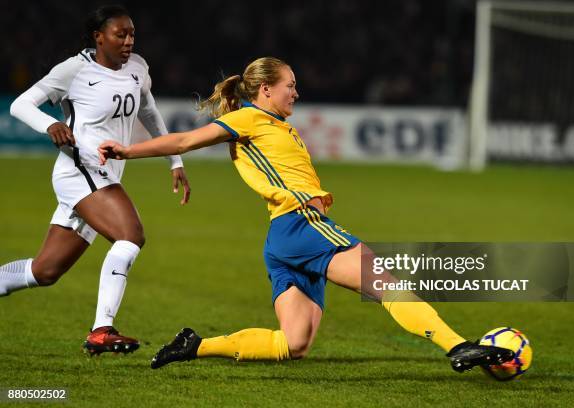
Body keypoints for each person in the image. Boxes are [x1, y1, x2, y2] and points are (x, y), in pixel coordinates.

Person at [98, 57, 513, 371]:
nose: (296, 93)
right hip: (304, 225)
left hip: (283, 240)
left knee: (293, 344)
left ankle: (195, 345)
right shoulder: (249, 118)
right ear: (265, 90)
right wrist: (128, 150)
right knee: (384, 282)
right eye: (289, 86)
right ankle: (458, 346)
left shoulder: (279, 125)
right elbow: (187, 139)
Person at [0, 5, 190, 355]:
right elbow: (21, 105)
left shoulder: (138, 68)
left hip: (103, 177)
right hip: (79, 170)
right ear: (98, 37)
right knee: (131, 234)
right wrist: (50, 124)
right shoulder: (75, 70)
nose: (129, 41)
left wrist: (174, 160)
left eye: (132, 34)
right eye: (121, 34)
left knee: (45, 271)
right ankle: (102, 330)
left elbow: (148, 111)